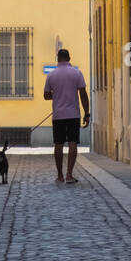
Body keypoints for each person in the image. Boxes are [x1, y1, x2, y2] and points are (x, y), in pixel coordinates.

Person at [44, 48, 90, 184]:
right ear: (69, 58)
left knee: (58, 144)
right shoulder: (77, 73)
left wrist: (56, 95)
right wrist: (87, 113)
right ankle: (69, 174)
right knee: (73, 143)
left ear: (58, 59)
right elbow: (83, 94)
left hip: (58, 115)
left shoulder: (51, 75)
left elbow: (46, 95)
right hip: (73, 114)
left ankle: (59, 175)